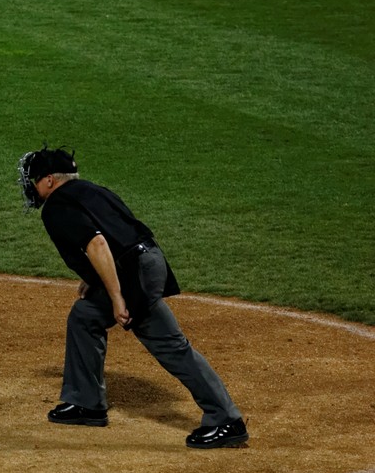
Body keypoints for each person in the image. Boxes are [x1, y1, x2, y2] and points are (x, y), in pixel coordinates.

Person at [17, 145, 248, 448]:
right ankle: (86, 402)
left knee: (170, 345)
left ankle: (226, 419)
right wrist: (95, 279)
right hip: (145, 260)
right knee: (85, 316)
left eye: (35, 180)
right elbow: (119, 233)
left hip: (133, 274)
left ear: (50, 180)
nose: (31, 187)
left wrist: (116, 297)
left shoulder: (57, 205)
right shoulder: (93, 191)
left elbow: (97, 244)